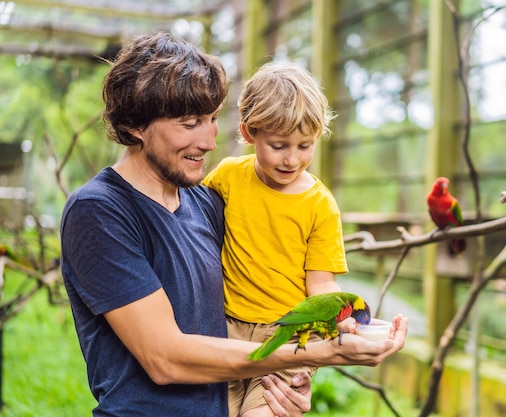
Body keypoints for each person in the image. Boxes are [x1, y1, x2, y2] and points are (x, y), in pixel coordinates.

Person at [60, 32, 408, 417]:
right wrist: (312, 353)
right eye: (191, 123)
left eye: (212, 120)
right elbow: (165, 359)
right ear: (135, 125)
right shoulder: (100, 211)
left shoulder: (207, 203)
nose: (210, 141)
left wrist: (288, 380)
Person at [202, 62, 354, 417]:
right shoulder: (227, 176)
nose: (292, 159)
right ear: (248, 131)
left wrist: (343, 316)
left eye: (305, 145)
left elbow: (320, 282)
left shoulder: (320, 205)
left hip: (288, 335)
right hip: (224, 328)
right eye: (279, 145)